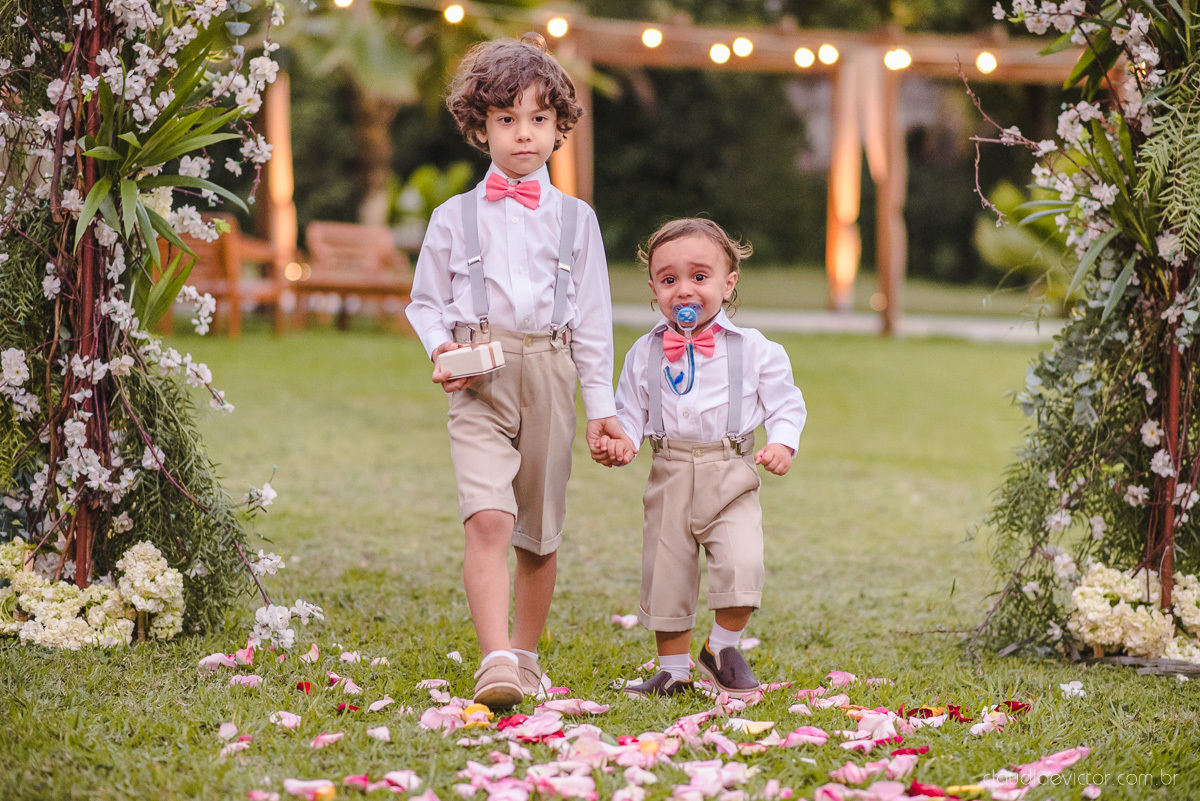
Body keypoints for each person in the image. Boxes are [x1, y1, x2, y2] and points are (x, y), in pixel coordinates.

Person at [406, 33, 632, 709]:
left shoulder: (577, 220)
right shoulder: (453, 218)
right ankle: (495, 659)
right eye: (507, 119)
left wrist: (602, 407)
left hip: (552, 372)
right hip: (478, 378)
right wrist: (441, 348)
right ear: (480, 127)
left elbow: (593, 321)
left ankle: (526, 655)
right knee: (487, 519)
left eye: (538, 118)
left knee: (537, 529)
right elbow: (424, 302)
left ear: (560, 126)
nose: (524, 133)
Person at [592, 218, 806, 699]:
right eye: (669, 279)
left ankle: (721, 647)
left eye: (700, 277)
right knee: (666, 573)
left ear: (728, 284)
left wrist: (782, 442)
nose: (684, 290)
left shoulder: (755, 350)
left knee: (743, 565)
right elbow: (630, 410)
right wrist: (623, 440)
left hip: (730, 472)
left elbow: (786, 403)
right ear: (654, 290)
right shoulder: (644, 352)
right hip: (668, 473)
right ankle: (673, 670)